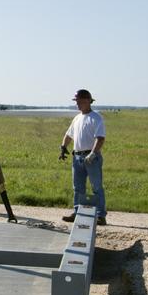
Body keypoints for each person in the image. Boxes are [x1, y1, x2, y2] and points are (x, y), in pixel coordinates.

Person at [60, 88, 106, 225]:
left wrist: (93, 153)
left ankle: (100, 215)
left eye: (79, 101)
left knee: (96, 187)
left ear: (87, 101)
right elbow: (69, 135)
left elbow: (100, 138)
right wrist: (63, 147)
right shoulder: (77, 118)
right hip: (77, 158)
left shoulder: (96, 118)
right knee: (78, 188)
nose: (77, 104)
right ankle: (77, 212)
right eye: (76, 101)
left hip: (91, 158)